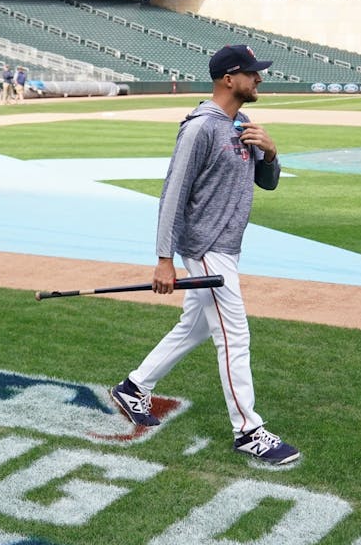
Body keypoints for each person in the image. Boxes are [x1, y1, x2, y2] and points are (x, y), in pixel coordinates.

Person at [108, 44, 301, 470]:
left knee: (194, 327)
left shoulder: (244, 123)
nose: (259, 80)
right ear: (228, 79)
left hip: (226, 247)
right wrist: (164, 259)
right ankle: (248, 430)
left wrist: (271, 152)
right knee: (234, 336)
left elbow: (266, 183)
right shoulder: (200, 128)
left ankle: (133, 386)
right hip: (206, 249)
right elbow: (172, 193)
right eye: (252, 74)